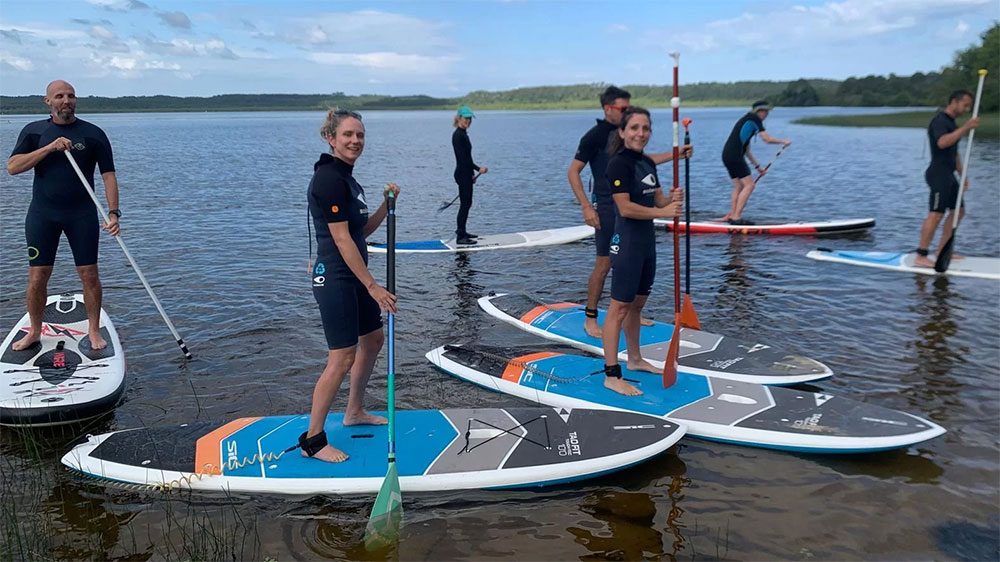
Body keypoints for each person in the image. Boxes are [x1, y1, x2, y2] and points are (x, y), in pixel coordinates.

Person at [302, 108, 400, 463]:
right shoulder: (328, 178)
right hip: (337, 278)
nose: (355, 140)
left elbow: (361, 231)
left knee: (373, 340)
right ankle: (313, 440)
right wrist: (373, 287)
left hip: (354, 274)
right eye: (348, 135)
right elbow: (342, 241)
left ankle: (354, 411)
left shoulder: (348, 179)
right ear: (331, 137)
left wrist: (386, 206)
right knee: (341, 357)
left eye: (359, 135)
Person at [6, 79, 120, 352]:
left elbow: (108, 175)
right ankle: (34, 330)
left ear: (75, 100)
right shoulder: (34, 132)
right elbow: (13, 167)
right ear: (48, 101)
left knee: (89, 274)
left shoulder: (92, 134)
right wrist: (49, 148)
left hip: (81, 214)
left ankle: (93, 330)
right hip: (42, 214)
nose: (65, 100)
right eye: (59, 96)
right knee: (37, 275)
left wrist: (114, 213)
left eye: (70, 95)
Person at [568, 86, 691, 338]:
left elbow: (642, 162)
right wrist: (585, 207)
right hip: (606, 208)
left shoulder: (628, 136)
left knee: (632, 261)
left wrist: (675, 155)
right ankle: (590, 318)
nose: (629, 112)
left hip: (627, 209)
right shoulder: (594, 136)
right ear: (608, 109)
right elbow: (573, 172)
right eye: (624, 109)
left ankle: (632, 312)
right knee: (604, 264)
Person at [601, 107, 683, 396]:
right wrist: (662, 212)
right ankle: (611, 375)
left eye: (645, 128)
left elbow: (657, 200)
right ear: (623, 132)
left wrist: (670, 200)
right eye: (634, 128)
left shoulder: (648, 163)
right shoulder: (618, 164)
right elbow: (625, 207)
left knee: (637, 305)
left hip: (647, 244)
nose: (640, 133)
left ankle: (635, 360)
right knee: (619, 308)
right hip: (627, 243)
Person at [914, 90, 979, 268]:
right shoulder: (940, 121)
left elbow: (953, 151)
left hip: (949, 175)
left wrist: (962, 173)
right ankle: (920, 256)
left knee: (958, 211)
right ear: (954, 102)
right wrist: (966, 128)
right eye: (965, 105)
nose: (967, 109)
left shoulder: (951, 123)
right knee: (936, 214)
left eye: (969, 106)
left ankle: (942, 250)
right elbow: (942, 143)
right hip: (938, 174)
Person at [719, 100, 790, 225]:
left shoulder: (747, 120)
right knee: (749, 185)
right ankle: (736, 217)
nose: (767, 114)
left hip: (727, 155)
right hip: (735, 156)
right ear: (760, 111)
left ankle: (731, 215)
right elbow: (767, 139)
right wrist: (783, 141)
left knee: (739, 186)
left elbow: (746, 150)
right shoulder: (754, 119)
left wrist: (758, 168)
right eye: (766, 111)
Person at [452, 105, 488, 245]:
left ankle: (463, 231)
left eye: (469, 119)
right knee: (465, 205)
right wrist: (478, 169)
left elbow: (467, 158)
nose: (468, 121)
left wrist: (472, 173)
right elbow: (463, 159)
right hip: (462, 173)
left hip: (465, 173)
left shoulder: (463, 133)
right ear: (459, 118)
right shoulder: (458, 135)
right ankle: (460, 237)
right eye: (465, 118)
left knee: (467, 204)